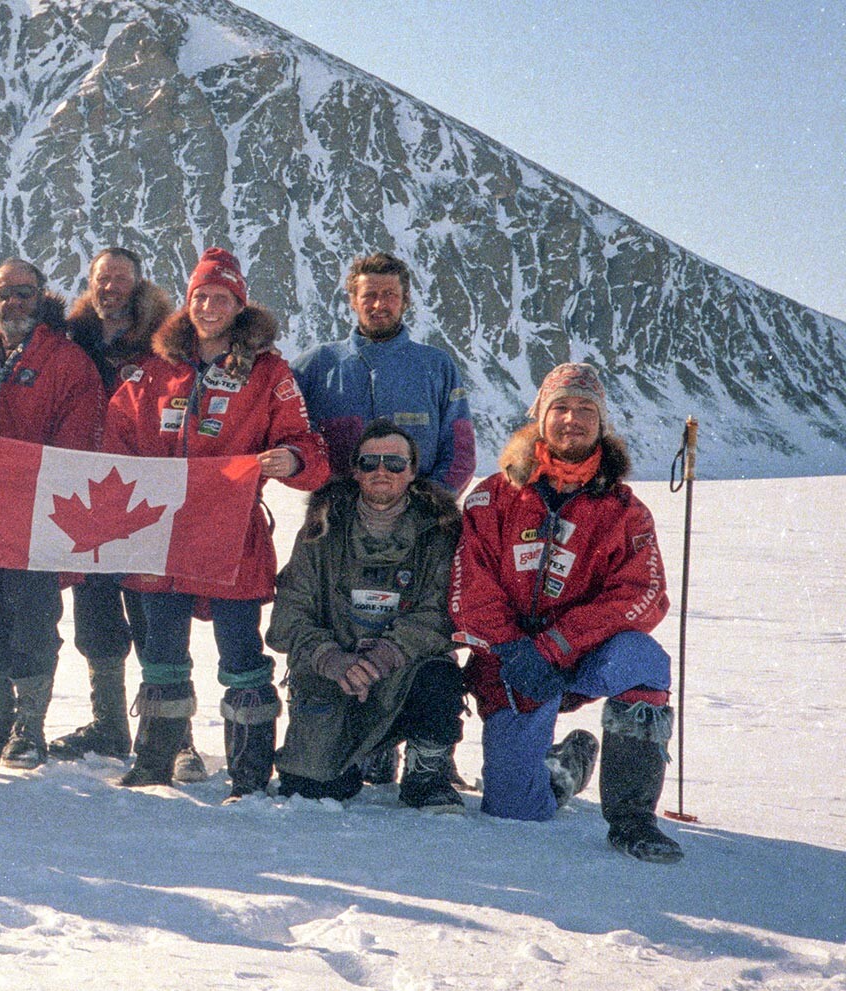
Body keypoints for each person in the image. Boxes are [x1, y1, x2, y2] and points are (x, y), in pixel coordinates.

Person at [102, 248, 328, 790]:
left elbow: (306, 443)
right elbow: (115, 439)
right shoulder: (153, 373)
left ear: (239, 305)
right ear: (187, 302)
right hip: (160, 534)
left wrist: (293, 459)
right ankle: (157, 757)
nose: (208, 307)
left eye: (220, 298)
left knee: (240, 647)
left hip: (232, 533)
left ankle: (249, 770)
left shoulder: (269, 372)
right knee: (161, 646)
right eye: (200, 296)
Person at [451, 363, 682, 863]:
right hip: (512, 666)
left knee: (643, 660)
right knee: (514, 808)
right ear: (539, 417)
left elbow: (643, 593)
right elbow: (471, 585)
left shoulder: (625, 510)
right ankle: (565, 768)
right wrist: (515, 650)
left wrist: (557, 644)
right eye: (560, 407)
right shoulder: (492, 497)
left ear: (602, 424)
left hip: (581, 659)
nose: (571, 419)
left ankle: (631, 818)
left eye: (585, 410)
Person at [293, 251, 476, 785]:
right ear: (351, 298)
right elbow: (286, 435)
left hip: (417, 531)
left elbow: (459, 451)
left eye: (389, 294)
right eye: (368, 294)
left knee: (419, 627)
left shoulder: (435, 367)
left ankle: (426, 743)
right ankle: (366, 740)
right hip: (338, 536)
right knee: (341, 626)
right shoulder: (317, 367)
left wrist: (421, 511)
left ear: (405, 299)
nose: (379, 303)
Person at [0, 259, 103, 768]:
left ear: (41, 296)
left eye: (24, 293)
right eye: (3, 293)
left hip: (37, 513)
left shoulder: (66, 361)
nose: (13, 303)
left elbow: (78, 440)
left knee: (32, 621)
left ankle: (29, 726)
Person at [267, 419, 466, 810]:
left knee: (440, 677)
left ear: (412, 472)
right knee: (311, 788)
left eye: (394, 463)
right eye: (370, 462)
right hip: (335, 673)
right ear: (355, 470)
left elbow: (441, 615)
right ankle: (364, 750)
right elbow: (288, 615)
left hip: (401, 671)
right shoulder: (320, 531)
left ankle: (426, 771)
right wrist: (331, 658)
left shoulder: (439, 533)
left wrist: (383, 657)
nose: (382, 471)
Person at [52, 248, 171, 760]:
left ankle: (169, 729)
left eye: (121, 278)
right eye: (103, 278)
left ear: (138, 283)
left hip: (144, 485)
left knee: (151, 611)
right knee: (94, 607)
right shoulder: (72, 336)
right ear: (91, 282)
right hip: (84, 483)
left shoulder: (165, 339)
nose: (111, 287)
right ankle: (108, 722)